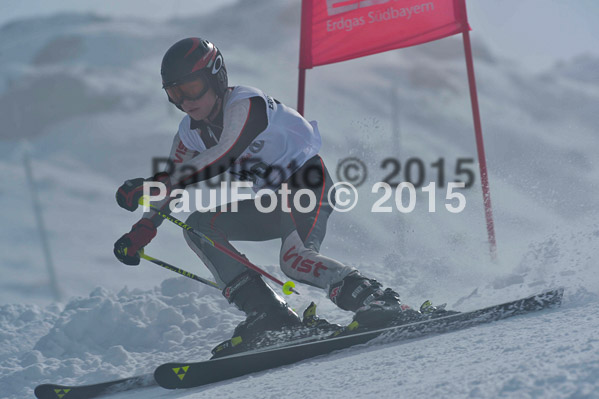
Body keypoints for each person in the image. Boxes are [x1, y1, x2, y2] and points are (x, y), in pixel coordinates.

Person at [113, 37, 418, 347]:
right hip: (273, 201)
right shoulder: (190, 132)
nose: (185, 102)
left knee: (294, 260)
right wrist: (144, 228)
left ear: (216, 76)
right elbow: (174, 179)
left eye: (191, 88)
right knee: (199, 228)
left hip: (307, 182)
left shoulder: (246, 104)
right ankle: (270, 315)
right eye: (175, 93)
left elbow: (225, 153)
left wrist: (161, 182)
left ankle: (375, 299)